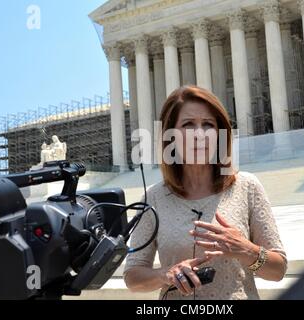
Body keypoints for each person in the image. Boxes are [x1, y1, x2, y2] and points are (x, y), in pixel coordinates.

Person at [123, 85, 287, 300]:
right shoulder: (153, 198)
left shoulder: (247, 187)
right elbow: (132, 276)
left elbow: (278, 270)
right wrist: (166, 274)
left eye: (208, 125)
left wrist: (246, 249)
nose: (199, 134)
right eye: (188, 124)